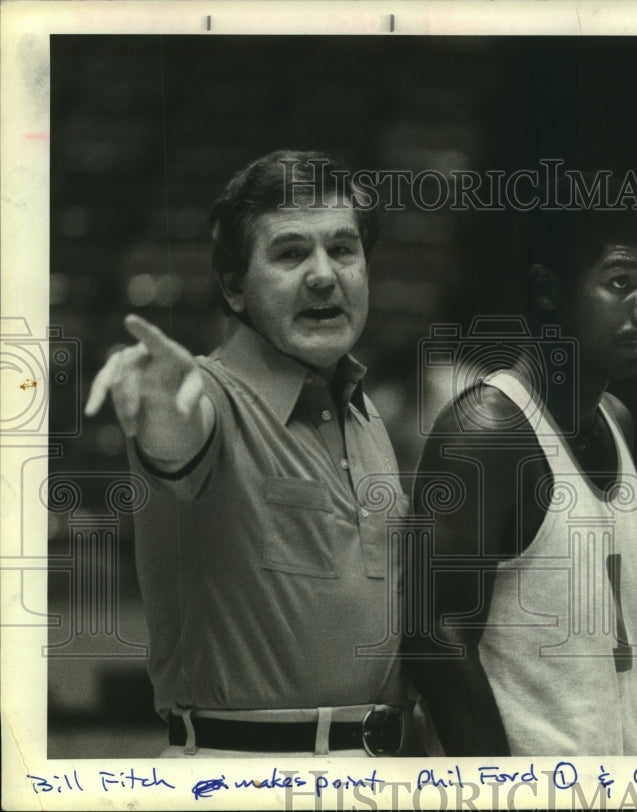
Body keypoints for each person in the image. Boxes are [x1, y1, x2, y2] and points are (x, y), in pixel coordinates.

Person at [84, 150, 412, 757]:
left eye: (343, 249)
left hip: (379, 768)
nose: (323, 275)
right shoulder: (208, 395)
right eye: (290, 253)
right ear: (235, 288)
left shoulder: (365, 412)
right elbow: (177, 433)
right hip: (242, 769)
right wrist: (161, 406)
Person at [403, 187, 637, 756]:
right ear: (549, 291)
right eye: (622, 283)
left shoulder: (617, 421)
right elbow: (434, 638)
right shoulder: (487, 431)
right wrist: (504, 790)